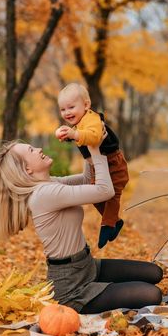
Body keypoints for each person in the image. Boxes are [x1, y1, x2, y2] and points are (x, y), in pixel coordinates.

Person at [0, 139, 163, 314]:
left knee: (155, 273)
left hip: (87, 266)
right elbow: (104, 191)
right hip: (70, 286)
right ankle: (88, 299)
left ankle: (107, 289)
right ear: (27, 169)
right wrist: (96, 153)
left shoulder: (50, 184)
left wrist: (87, 145)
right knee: (152, 294)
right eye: (32, 150)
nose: (39, 149)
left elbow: (88, 180)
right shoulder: (44, 194)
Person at [55, 83, 129, 249]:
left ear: (86, 105)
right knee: (95, 196)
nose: (67, 113)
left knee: (113, 195)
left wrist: (74, 134)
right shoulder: (79, 124)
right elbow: (80, 136)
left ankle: (108, 225)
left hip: (113, 163)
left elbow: (94, 137)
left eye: (71, 107)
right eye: (63, 109)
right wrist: (66, 134)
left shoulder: (92, 119)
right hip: (99, 166)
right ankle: (115, 222)